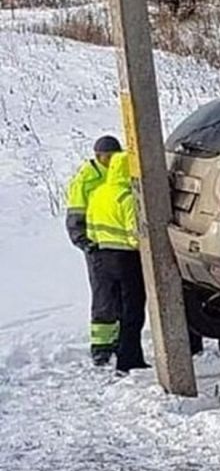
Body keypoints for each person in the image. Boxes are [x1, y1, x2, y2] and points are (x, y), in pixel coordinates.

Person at [86, 152, 149, 374]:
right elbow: (136, 234)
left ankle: (115, 352)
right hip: (127, 260)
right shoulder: (127, 197)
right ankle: (129, 358)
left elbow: (90, 230)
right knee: (133, 311)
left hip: (102, 258)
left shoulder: (97, 194)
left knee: (113, 307)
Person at [65, 135, 123, 365]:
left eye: (113, 156)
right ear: (97, 156)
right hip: (98, 248)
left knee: (123, 296)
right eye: (106, 157)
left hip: (123, 245)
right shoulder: (86, 180)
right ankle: (101, 346)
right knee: (103, 296)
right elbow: (75, 216)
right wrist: (84, 242)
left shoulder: (122, 171)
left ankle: (120, 340)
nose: (110, 161)